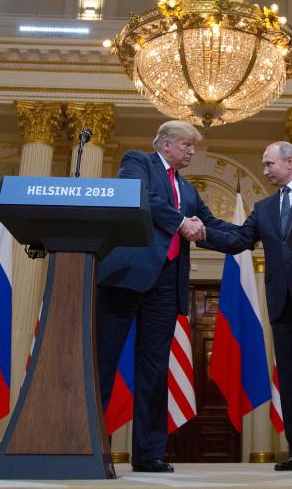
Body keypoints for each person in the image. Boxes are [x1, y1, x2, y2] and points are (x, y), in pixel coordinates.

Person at [96, 120, 236, 473]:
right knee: (103, 362)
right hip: (126, 277)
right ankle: (86, 443)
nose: (191, 151)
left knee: (155, 371)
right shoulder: (137, 162)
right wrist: (180, 223)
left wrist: (254, 233)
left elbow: (210, 224)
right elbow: (144, 198)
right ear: (165, 143)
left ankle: (148, 454)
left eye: (193, 146)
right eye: (187, 145)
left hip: (166, 284)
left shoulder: (187, 189)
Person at [202, 141, 292, 471]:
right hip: (282, 300)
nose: (264, 171)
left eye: (269, 164)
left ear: (290, 162)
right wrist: (201, 232)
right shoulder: (264, 208)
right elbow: (239, 240)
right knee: (290, 379)